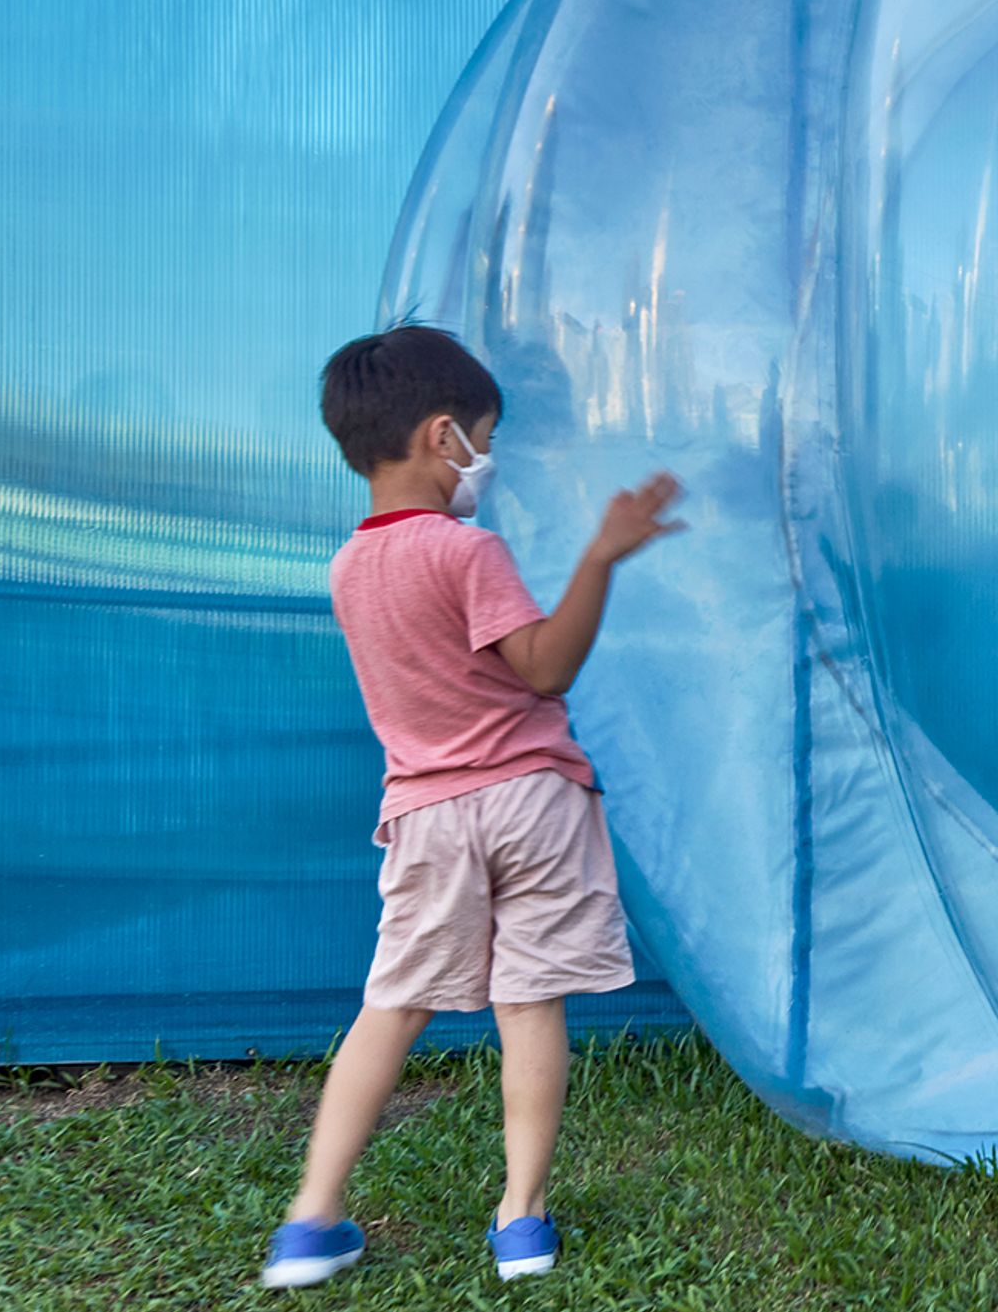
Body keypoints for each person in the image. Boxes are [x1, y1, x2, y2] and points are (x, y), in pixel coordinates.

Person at [262, 324, 684, 1292]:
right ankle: (520, 1219)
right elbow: (545, 668)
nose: (486, 461)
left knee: (390, 1006)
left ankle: (310, 1218)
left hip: (428, 816)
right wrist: (602, 557)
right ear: (442, 435)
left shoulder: (347, 570)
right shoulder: (467, 550)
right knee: (528, 1002)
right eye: (484, 439)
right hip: (532, 802)